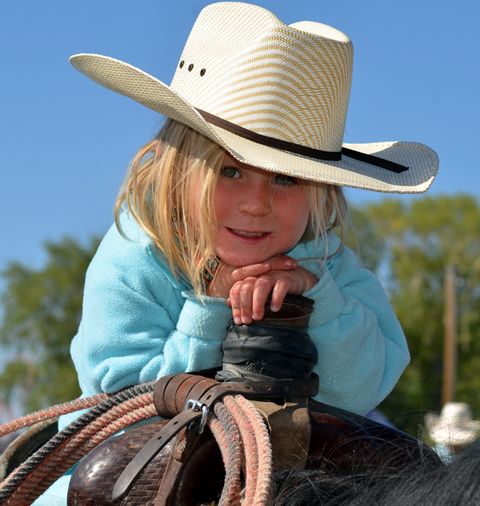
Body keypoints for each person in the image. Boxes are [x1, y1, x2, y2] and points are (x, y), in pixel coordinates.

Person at [31, 2, 438, 503]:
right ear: (177, 169)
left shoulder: (326, 265)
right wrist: (210, 306)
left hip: (293, 469)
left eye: (287, 179)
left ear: (321, 194)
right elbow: (119, 395)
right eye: (229, 171)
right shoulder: (137, 254)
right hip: (126, 467)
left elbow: (361, 390)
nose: (256, 204)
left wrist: (318, 298)